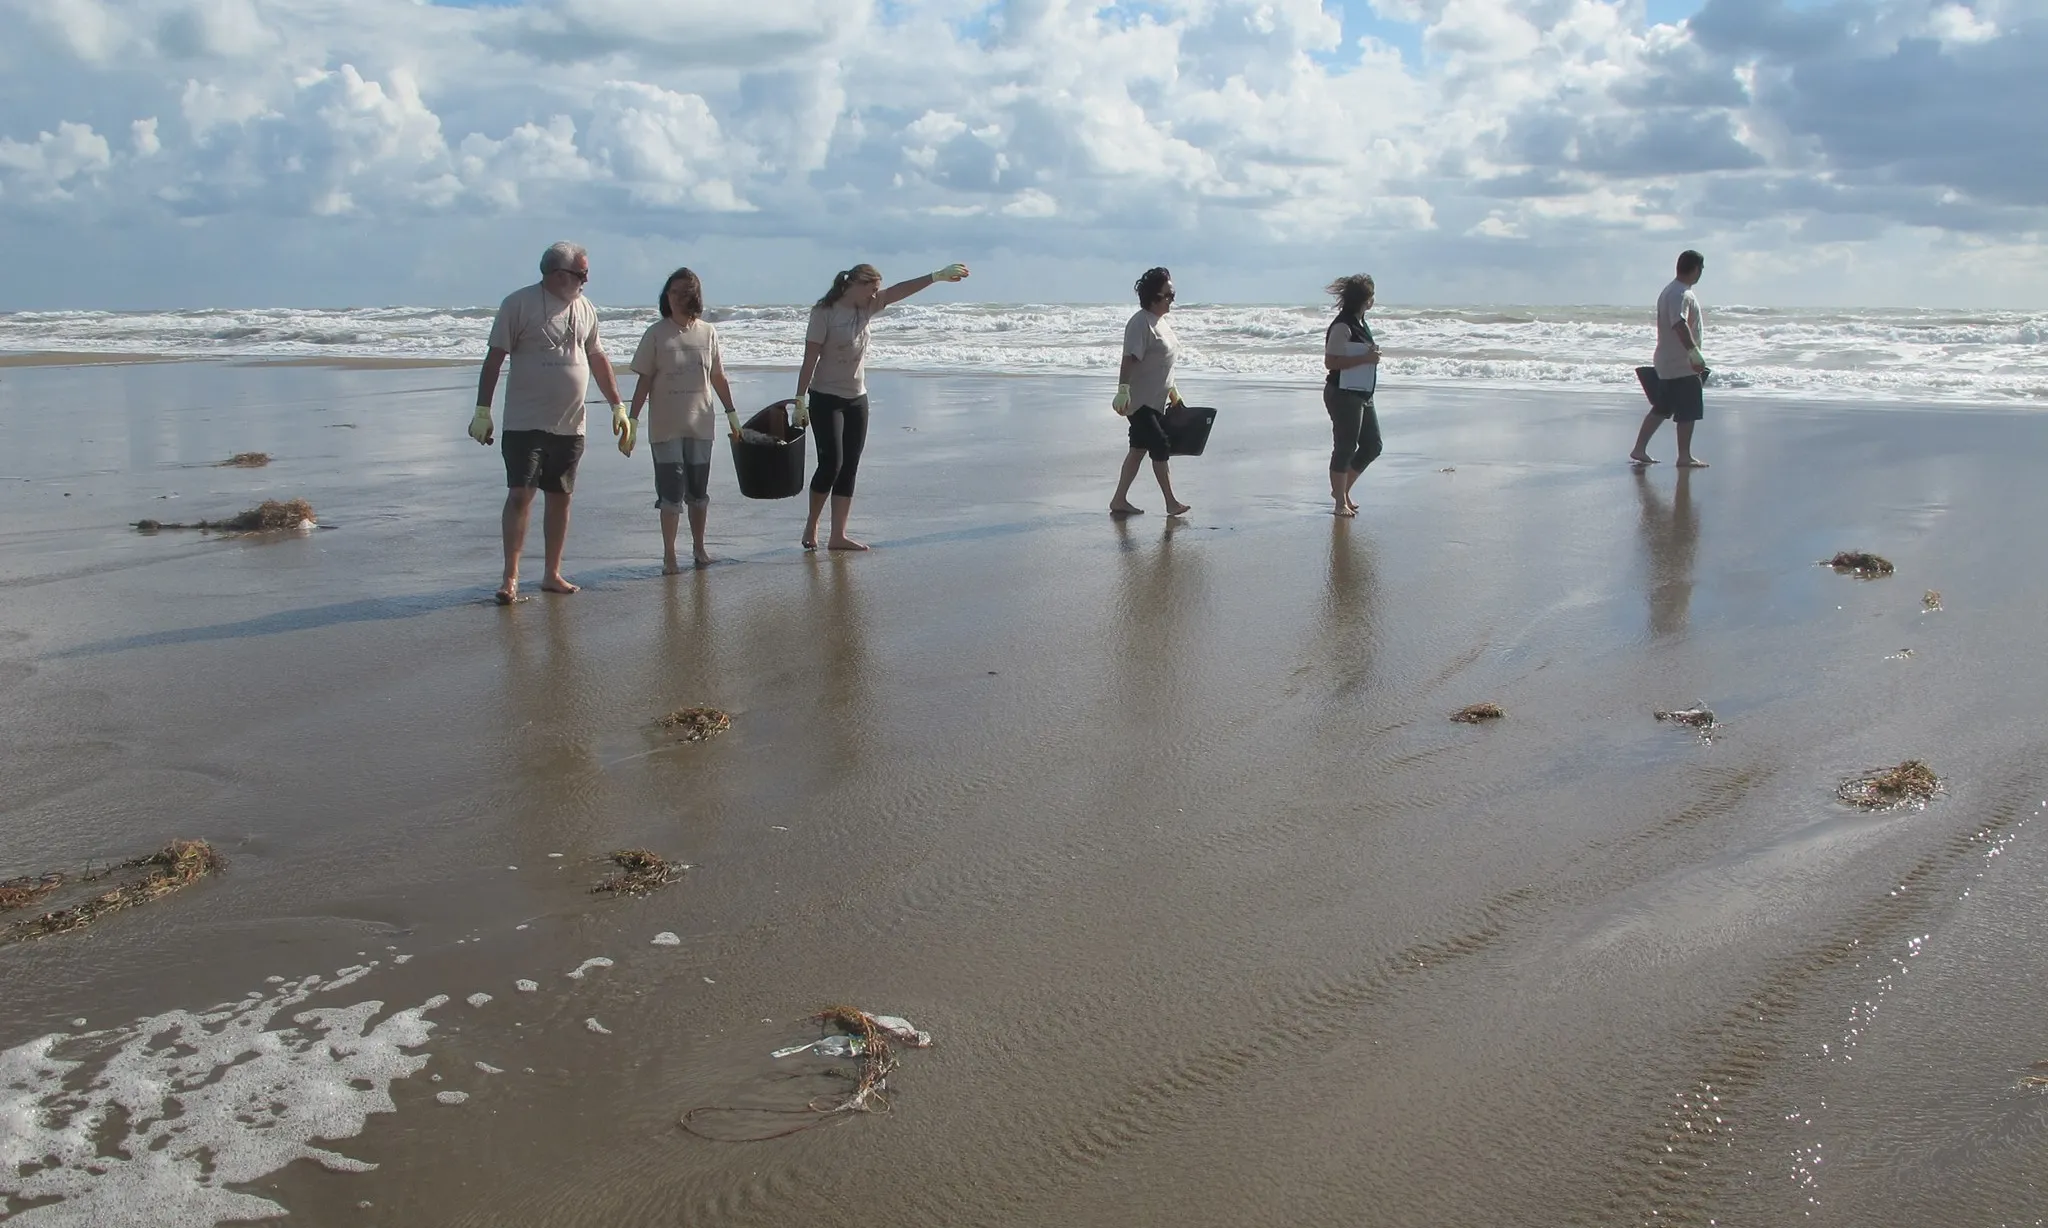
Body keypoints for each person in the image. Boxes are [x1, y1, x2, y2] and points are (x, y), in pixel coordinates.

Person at [469, 241, 628, 603]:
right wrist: (483, 410)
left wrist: (617, 405)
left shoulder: (586, 308)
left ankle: (551, 573)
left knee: (561, 496)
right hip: (525, 421)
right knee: (521, 494)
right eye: (581, 274)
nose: (587, 280)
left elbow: (598, 357)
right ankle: (510, 577)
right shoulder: (518, 304)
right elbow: (494, 360)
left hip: (571, 423)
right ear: (559, 275)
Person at [793, 259, 971, 550]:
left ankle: (838, 535)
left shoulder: (868, 307)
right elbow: (809, 358)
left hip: (856, 398)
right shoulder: (823, 313)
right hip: (825, 397)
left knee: (849, 466)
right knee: (831, 465)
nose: (876, 294)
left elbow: (900, 290)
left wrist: (935, 276)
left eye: (877, 290)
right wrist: (800, 399)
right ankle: (812, 523)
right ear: (854, 285)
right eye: (871, 289)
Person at [626, 268, 742, 572]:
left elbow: (717, 376)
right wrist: (632, 421)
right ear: (666, 295)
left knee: (698, 493)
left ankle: (699, 548)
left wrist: (732, 413)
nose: (677, 298)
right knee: (671, 493)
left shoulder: (708, 332)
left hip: (700, 423)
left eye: (684, 293)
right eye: (673, 292)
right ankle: (669, 554)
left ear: (695, 297)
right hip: (666, 426)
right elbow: (644, 381)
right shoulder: (656, 333)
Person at [1109, 267, 1191, 517]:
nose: (1171, 300)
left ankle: (1119, 501)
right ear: (1154, 296)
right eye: (1168, 294)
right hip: (1139, 401)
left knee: (1138, 450)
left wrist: (1172, 391)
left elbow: (1162, 361)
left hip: (1155, 400)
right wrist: (1123, 390)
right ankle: (1170, 502)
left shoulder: (1161, 323)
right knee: (1160, 445)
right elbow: (1129, 359)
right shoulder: (1140, 322)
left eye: (1172, 294)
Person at [1629, 249, 1710, 468]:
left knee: (1662, 407)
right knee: (1688, 410)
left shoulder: (1671, 291)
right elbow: (1679, 323)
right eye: (1701, 269)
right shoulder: (1680, 293)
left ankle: (1639, 449)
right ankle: (1684, 456)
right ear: (1696, 269)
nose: (1701, 273)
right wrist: (1694, 353)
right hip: (1681, 363)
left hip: (1668, 361)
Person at [1322, 273, 1383, 517]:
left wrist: (1370, 356)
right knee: (1345, 447)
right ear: (1364, 299)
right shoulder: (1342, 325)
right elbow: (1331, 362)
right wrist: (1365, 358)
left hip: (1363, 393)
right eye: (1371, 296)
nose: (1373, 300)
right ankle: (1339, 502)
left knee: (1372, 445)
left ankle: (1342, 490)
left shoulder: (1360, 323)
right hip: (1343, 393)